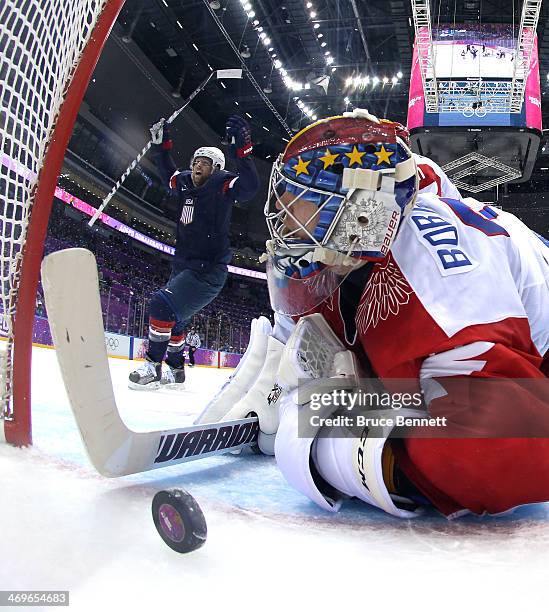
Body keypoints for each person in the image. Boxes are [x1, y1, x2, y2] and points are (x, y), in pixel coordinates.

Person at [256, 108, 549, 519]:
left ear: (359, 211)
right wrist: (268, 376)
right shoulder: (353, 246)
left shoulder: (435, 276)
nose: (282, 223)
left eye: (297, 204)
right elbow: (304, 334)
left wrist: (326, 445)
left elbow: (505, 448)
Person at [129, 115, 260, 390]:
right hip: (184, 265)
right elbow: (168, 173)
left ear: (217, 168)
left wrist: (243, 152)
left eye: (205, 162)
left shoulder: (223, 184)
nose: (198, 164)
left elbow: (249, 188)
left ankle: (152, 367)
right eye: (196, 161)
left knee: (161, 305)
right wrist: (161, 145)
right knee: (175, 320)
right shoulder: (186, 182)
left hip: (208, 271)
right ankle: (176, 371)